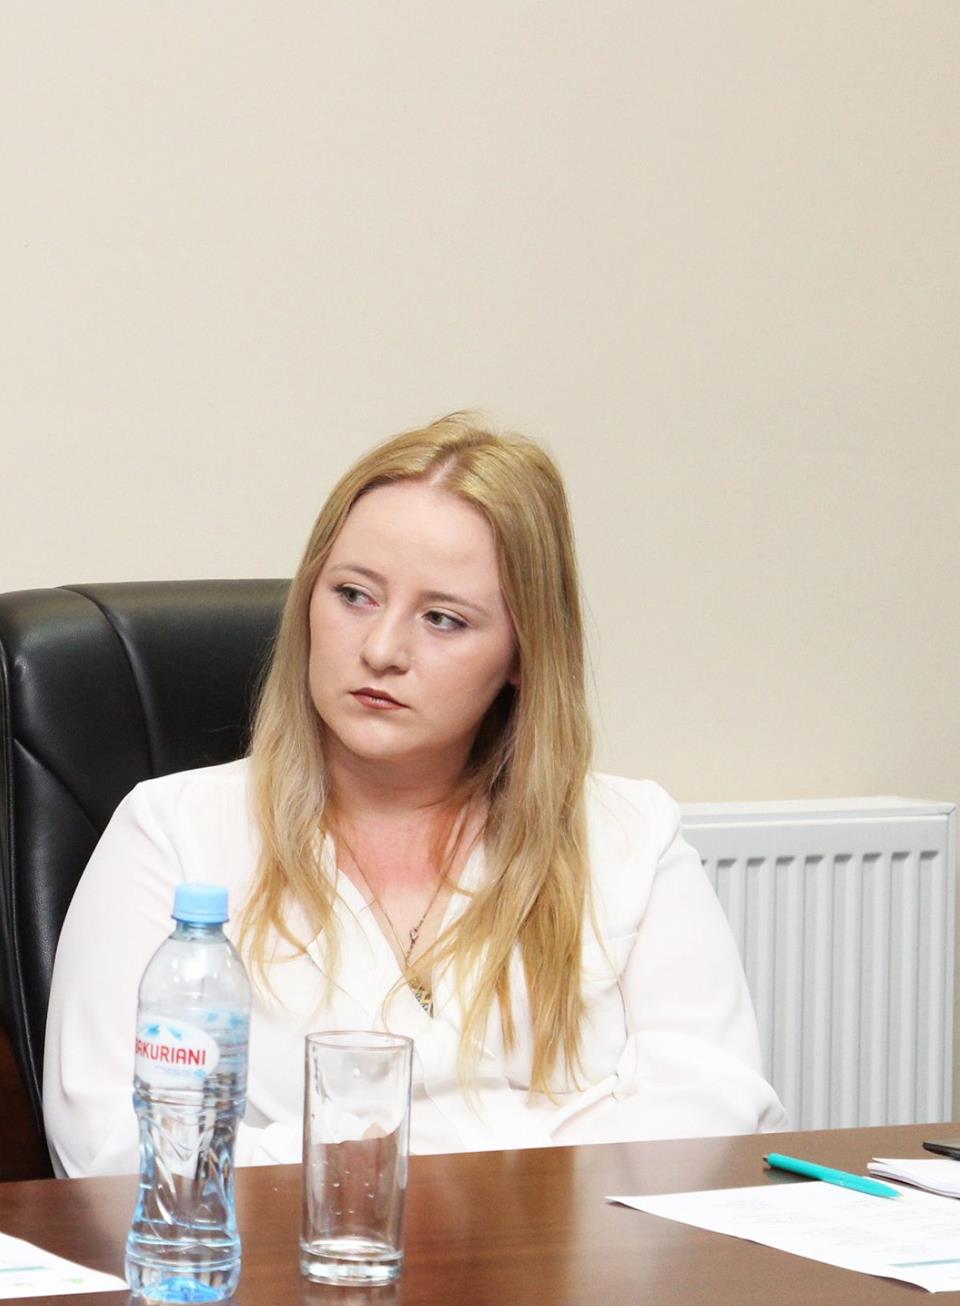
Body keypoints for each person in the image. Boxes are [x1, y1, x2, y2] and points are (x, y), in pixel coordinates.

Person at [44, 413, 786, 1176]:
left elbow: (720, 1113)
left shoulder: (628, 835)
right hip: (283, 1256)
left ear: (523, 654)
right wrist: (534, 1137)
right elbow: (113, 1154)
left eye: (443, 619)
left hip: (563, 1258)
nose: (381, 649)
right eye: (354, 594)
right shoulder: (173, 832)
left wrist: (335, 1142)